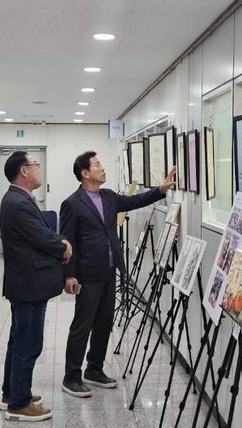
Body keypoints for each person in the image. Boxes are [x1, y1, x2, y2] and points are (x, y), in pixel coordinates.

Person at [59, 151, 176, 396]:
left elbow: (135, 201)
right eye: (97, 165)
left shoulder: (109, 196)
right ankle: (71, 376)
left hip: (109, 270)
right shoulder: (72, 203)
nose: (103, 168)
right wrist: (69, 275)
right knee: (82, 324)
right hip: (87, 273)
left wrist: (161, 189)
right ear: (85, 173)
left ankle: (94, 369)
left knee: (104, 323)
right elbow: (67, 241)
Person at [0, 150, 72, 421]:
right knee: (28, 344)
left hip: (25, 282)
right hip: (28, 284)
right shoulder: (17, 202)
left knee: (18, 340)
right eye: (35, 165)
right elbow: (41, 237)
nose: (38, 169)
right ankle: (19, 404)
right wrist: (63, 245)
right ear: (24, 171)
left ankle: (12, 393)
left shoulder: (18, 199)